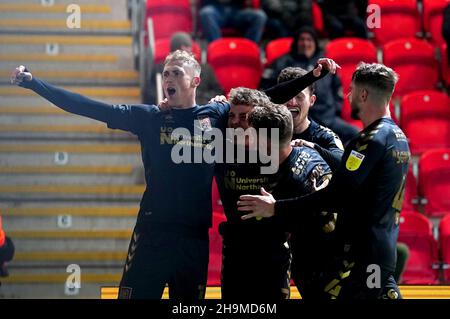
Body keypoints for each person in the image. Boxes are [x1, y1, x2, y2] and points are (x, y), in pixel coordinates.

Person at [11, 50, 230, 300]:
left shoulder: (215, 116)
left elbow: (261, 102)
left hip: (194, 238)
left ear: (195, 81)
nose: (168, 79)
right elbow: (88, 107)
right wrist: (34, 83)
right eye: (166, 74)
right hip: (153, 232)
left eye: (177, 74)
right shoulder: (149, 117)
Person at [238, 63, 410, 300]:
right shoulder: (398, 137)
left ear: (363, 94)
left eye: (350, 91)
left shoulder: (369, 141)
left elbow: (336, 196)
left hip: (360, 257)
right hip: (381, 249)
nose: (347, 97)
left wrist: (276, 207)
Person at [216, 93, 333, 300]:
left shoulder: (306, 169)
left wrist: (276, 208)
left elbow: (329, 214)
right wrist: (216, 106)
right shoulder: (223, 147)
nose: (236, 124)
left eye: (245, 120)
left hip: (299, 258)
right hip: (236, 252)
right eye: (231, 117)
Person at [259, 26, 359, 144]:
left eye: (309, 39)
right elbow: (265, 91)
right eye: (302, 39)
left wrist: (335, 110)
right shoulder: (281, 62)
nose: (305, 43)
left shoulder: (326, 64)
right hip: (293, 118)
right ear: (296, 42)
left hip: (328, 118)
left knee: (356, 135)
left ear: (315, 43)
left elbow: (337, 90)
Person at [278, 67, 344, 171]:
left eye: (299, 97)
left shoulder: (325, 136)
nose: (292, 102)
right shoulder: (267, 135)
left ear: (311, 101)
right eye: (287, 96)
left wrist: (313, 148)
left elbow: (342, 164)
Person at [144, 32, 224, 105]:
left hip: (200, 111)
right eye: (181, 48)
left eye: (187, 47)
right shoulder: (161, 68)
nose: (186, 51)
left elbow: (219, 92)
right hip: (172, 113)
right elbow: (150, 96)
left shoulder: (205, 69)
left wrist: (203, 97)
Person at [199, 0, 267, 43]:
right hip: (216, 9)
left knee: (260, 16)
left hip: (236, 10)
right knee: (206, 13)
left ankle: (249, 48)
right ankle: (217, 48)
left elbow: (249, 3)